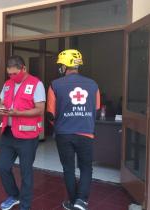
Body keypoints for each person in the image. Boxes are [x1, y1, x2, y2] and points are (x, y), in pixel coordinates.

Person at [46, 49, 100, 210]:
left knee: (68, 168)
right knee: (85, 167)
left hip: (64, 134)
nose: (60, 68)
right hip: (86, 133)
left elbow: (50, 114)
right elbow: (96, 110)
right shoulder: (93, 84)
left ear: (65, 65)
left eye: (61, 64)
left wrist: (61, 127)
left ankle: (73, 201)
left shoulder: (54, 85)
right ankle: (81, 201)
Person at [0, 55, 45, 210]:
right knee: (3, 168)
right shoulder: (7, 84)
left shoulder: (36, 84)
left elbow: (40, 109)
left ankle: (25, 205)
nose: (12, 77)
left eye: (15, 74)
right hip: (8, 133)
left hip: (27, 136)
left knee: (26, 173)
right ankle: (14, 195)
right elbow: (1, 103)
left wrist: (18, 114)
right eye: (9, 74)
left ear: (24, 69)